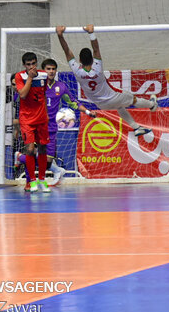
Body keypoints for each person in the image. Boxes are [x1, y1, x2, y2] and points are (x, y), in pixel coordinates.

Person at [55, 25, 158, 136]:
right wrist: (91, 33)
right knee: (133, 100)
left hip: (100, 105)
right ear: (93, 60)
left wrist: (60, 35)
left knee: (120, 106)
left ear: (79, 60)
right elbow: (96, 49)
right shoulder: (97, 68)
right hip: (114, 96)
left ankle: (136, 127)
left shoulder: (76, 70)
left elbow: (67, 52)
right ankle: (152, 105)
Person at [14, 52, 51, 193]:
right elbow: (22, 95)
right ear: (24, 65)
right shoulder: (20, 76)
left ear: (36, 63)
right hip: (27, 119)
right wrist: (30, 78)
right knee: (29, 149)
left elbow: (43, 94)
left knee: (42, 148)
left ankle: (42, 179)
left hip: (41, 118)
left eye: (33, 64)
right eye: (28, 65)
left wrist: (46, 114)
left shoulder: (44, 75)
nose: (31, 67)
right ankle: (32, 181)